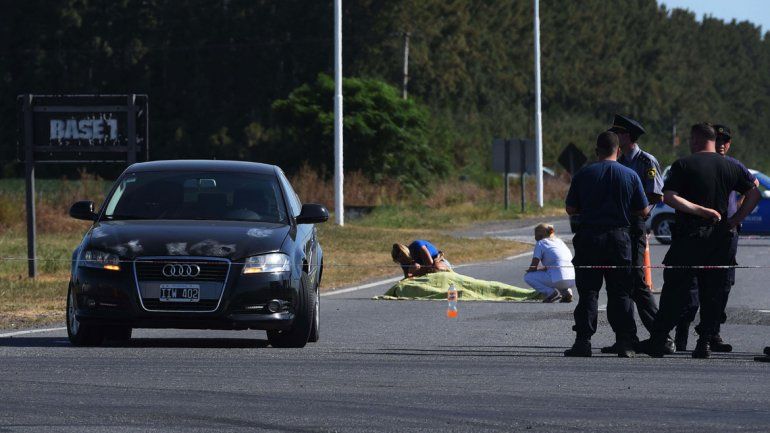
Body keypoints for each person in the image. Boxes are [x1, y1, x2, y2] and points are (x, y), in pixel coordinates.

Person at [644, 123, 759, 359]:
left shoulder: (684, 164)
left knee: (675, 288)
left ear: (696, 140)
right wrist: (735, 219)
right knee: (713, 291)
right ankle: (705, 341)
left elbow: (670, 196)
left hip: (690, 236)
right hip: (721, 237)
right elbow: (754, 193)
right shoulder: (732, 166)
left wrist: (700, 210)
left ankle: (659, 338)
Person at [564, 131, 649, 358]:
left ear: (596, 151)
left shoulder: (584, 174)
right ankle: (624, 341)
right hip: (619, 240)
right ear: (618, 151)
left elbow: (570, 208)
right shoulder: (630, 175)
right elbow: (643, 210)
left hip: (589, 238)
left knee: (589, 292)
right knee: (621, 292)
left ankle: (583, 342)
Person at [604, 114, 676, 354]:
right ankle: (626, 337)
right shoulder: (619, 159)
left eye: (618, 133)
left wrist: (639, 212)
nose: (615, 137)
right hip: (616, 226)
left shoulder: (646, 161)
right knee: (618, 283)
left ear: (627, 136)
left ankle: (661, 336)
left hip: (634, 225)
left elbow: (657, 195)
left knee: (637, 283)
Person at [524, 223, 575, 303]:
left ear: (539, 235)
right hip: (572, 279)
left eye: (535, 234)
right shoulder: (560, 241)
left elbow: (533, 266)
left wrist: (531, 270)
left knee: (528, 277)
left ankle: (551, 293)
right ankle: (566, 292)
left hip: (559, 279)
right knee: (554, 273)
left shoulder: (541, 243)